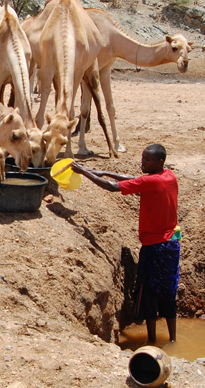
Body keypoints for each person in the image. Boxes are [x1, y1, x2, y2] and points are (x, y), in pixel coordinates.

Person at [72, 144, 180, 343]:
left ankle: (152, 340)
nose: (142, 162)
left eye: (147, 160)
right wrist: (102, 171)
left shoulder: (152, 182)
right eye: (142, 158)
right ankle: (173, 339)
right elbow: (138, 181)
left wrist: (85, 172)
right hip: (172, 243)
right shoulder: (169, 176)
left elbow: (113, 187)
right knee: (168, 290)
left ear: (159, 162)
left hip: (155, 246)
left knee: (149, 291)